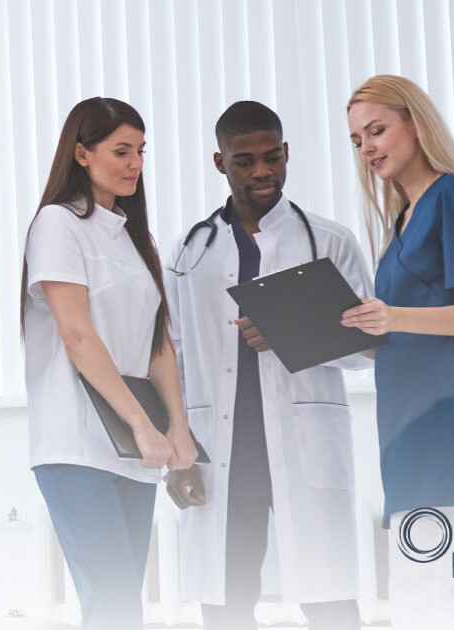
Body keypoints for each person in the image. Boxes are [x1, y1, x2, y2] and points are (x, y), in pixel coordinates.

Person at [163, 101, 371, 630]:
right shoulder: (190, 252)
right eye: (244, 160)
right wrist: (177, 452)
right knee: (226, 605)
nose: (262, 171)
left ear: (286, 153)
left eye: (272, 156)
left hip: (306, 443)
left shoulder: (329, 240)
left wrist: (291, 329)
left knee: (330, 601)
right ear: (219, 162)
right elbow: (175, 357)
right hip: (224, 449)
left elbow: (370, 345)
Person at [21, 96, 197, 629]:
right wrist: (144, 426)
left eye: (141, 151)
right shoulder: (57, 225)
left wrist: (180, 431)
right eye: (121, 151)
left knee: (125, 606)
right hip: (76, 442)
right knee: (112, 602)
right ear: (81, 153)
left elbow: (157, 343)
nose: (135, 164)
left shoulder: (134, 236)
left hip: (131, 447)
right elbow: (77, 336)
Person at [344, 74, 454, 629]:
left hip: (441, 419)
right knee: (437, 586)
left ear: (414, 122)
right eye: (356, 140)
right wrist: (331, 337)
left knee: (423, 584)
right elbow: (406, 337)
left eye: (377, 130)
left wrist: (392, 316)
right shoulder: (402, 219)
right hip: (406, 420)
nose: (367, 147)